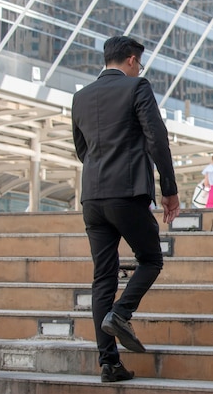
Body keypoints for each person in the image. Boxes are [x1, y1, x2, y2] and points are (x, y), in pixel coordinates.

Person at [71, 35, 180, 383]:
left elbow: (81, 149)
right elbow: (156, 138)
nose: (140, 69)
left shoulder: (80, 97)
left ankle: (109, 363)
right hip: (127, 193)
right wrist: (170, 189)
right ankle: (121, 313)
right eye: (140, 64)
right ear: (132, 60)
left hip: (93, 198)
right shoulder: (138, 88)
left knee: (103, 276)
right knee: (151, 259)